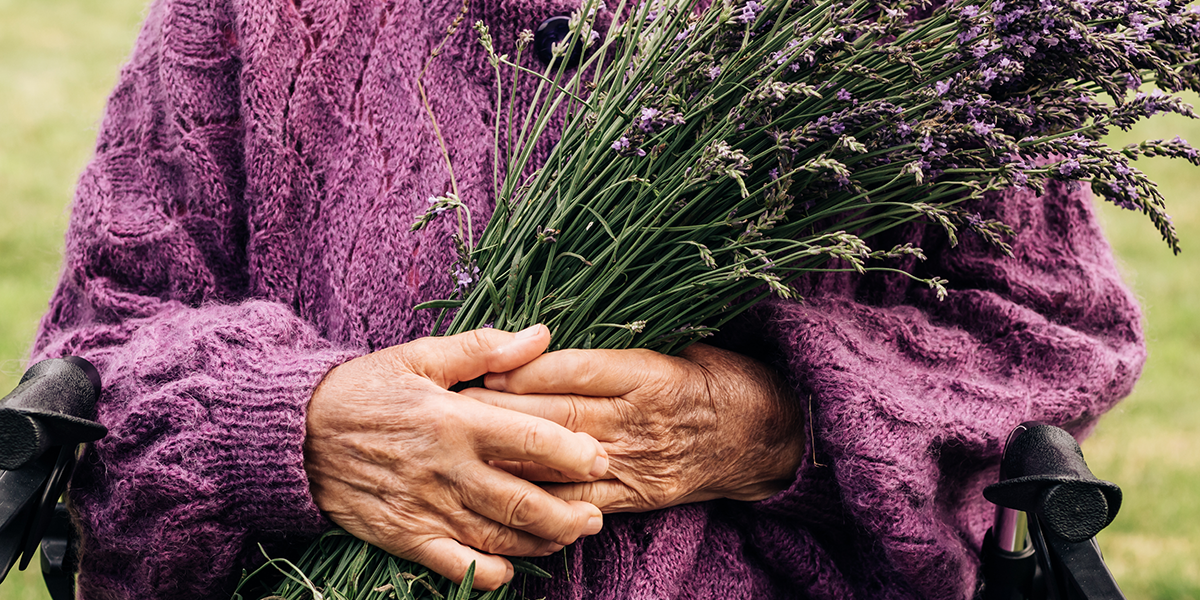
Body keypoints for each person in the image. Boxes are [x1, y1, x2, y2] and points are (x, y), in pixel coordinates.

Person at [31, 0, 1145, 598]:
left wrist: (771, 426)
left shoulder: (938, 30)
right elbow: (98, 352)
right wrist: (291, 429)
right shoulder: (253, 16)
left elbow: (1045, 338)